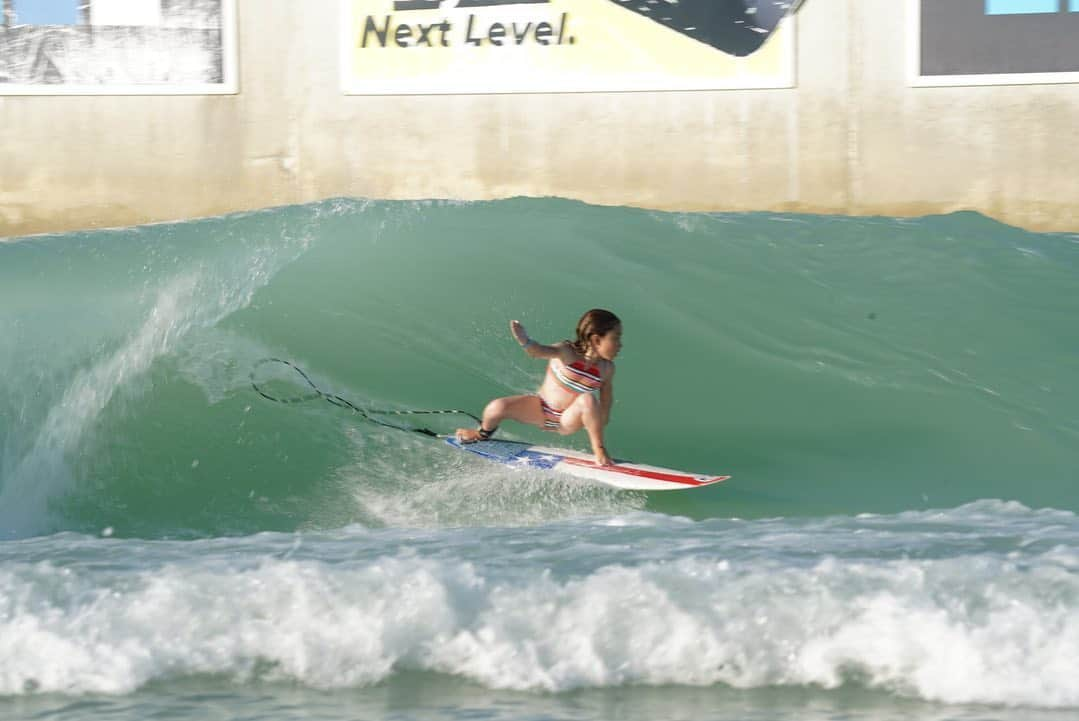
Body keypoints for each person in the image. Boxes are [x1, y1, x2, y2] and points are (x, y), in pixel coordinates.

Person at [455, 309, 623, 466]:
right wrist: (525, 341)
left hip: (567, 420)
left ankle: (599, 449)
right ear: (596, 340)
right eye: (615, 338)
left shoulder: (607, 369)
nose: (619, 345)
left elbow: (606, 394)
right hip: (541, 410)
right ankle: (482, 434)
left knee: (587, 400)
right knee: (496, 407)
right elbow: (538, 351)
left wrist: (602, 418)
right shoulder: (566, 351)